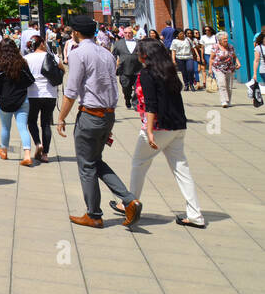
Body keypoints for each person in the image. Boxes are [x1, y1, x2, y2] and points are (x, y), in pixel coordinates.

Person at [57, 14, 140, 228]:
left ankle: (94, 214)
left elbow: (72, 91)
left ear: (75, 33)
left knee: (86, 166)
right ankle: (129, 200)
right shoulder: (106, 53)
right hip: (108, 113)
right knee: (96, 161)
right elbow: (110, 86)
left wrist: (61, 117)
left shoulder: (78, 54)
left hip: (90, 115)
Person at [120, 39, 206, 227]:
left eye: (139, 51)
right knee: (181, 170)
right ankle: (195, 214)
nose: (137, 55)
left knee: (139, 163)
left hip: (159, 127)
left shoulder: (147, 73)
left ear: (145, 55)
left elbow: (151, 103)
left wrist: (149, 130)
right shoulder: (169, 70)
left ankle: (130, 203)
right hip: (178, 125)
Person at [0, 38, 36, 166]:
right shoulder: (21, 63)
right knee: (23, 128)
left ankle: (4, 150)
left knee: (5, 127)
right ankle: (27, 154)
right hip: (21, 99)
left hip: (5, 100)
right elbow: (30, 80)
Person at [24, 35, 59, 161]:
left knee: (31, 121)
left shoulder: (27, 58)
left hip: (33, 93)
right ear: (43, 44)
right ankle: (45, 154)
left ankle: (38, 143)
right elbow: (63, 70)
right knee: (46, 123)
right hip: (50, 94)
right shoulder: (53, 57)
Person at [113, 25, 141, 110]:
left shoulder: (139, 42)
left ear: (133, 33)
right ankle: (127, 99)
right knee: (126, 87)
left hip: (138, 69)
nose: (128, 34)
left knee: (138, 88)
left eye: (130, 33)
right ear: (123, 34)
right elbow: (113, 55)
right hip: (124, 70)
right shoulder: (118, 43)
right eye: (126, 33)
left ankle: (135, 103)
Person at [208, 31, 238, 108]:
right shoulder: (215, 47)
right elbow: (211, 59)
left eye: (226, 39)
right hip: (218, 68)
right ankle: (223, 101)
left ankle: (229, 101)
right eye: (224, 39)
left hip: (229, 68)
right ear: (219, 40)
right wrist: (210, 69)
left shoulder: (230, 46)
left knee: (229, 86)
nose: (226, 40)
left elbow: (234, 56)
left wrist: (238, 63)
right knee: (222, 84)